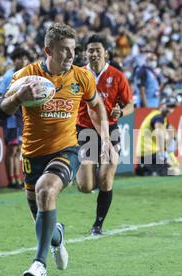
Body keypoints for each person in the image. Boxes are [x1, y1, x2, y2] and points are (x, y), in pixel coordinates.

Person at [0, 23, 112, 276]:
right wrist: (18, 97)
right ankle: (57, 235)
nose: (70, 56)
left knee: (46, 189)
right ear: (48, 50)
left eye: (72, 50)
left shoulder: (81, 77)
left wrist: (106, 140)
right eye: (63, 50)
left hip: (67, 149)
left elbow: (97, 106)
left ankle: (39, 264)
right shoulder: (26, 76)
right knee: (41, 221)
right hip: (32, 155)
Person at [76, 34, 134, 236]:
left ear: (105, 53)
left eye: (97, 50)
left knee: (106, 177)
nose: (93, 53)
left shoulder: (117, 76)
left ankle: (98, 224)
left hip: (110, 129)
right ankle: (79, 173)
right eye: (90, 50)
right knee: (85, 186)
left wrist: (121, 112)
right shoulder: (78, 74)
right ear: (85, 53)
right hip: (86, 130)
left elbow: (129, 105)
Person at [0, 48, 30, 189]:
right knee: (12, 148)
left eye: (24, 58)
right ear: (14, 60)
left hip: (20, 115)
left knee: (18, 149)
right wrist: (2, 111)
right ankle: (11, 180)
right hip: (11, 116)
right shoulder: (9, 76)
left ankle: (18, 178)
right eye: (19, 58)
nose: (22, 61)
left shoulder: (25, 74)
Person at [135, 96, 180, 177]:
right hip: (150, 154)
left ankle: (146, 168)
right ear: (162, 105)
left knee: (175, 167)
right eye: (168, 106)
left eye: (173, 107)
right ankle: (151, 170)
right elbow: (158, 130)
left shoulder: (159, 116)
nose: (170, 110)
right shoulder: (158, 117)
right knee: (175, 171)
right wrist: (164, 154)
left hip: (145, 155)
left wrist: (174, 140)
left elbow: (172, 130)